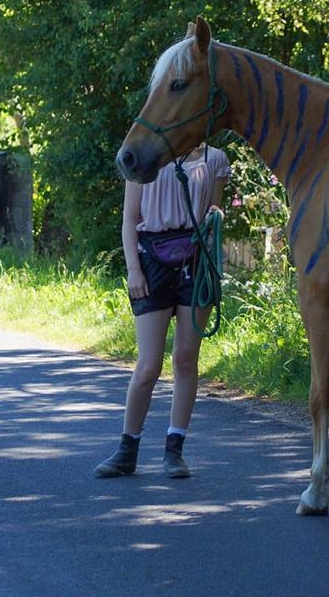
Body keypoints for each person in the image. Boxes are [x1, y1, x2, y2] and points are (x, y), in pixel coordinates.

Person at [95, 142, 230, 479]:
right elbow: (129, 220)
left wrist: (216, 215)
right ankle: (128, 449)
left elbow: (216, 207)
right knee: (148, 365)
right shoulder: (142, 158)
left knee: (186, 358)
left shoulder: (215, 160)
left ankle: (175, 449)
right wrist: (133, 270)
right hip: (152, 258)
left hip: (196, 261)